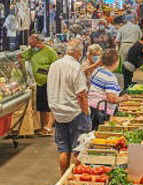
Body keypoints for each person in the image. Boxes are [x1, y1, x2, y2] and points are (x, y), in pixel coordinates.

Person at [47, 40, 92, 175]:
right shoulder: (75, 67)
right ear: (78, 52)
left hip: (59, 113)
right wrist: (86, 111)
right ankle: (77, 181)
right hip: (75, 112)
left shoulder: (54, 65)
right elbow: (81, 94)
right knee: (80, 150)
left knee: (64, 150)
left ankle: (63, 180)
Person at [20, 34, 59, 135]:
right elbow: (21, 57)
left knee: (50, 105)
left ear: (40, 42)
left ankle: (49, 127)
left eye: (34, 45)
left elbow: (56, 66)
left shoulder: (49, 51)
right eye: (31, 45)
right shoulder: (32, 51)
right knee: (42, 106)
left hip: (49, 81)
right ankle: (43, 127)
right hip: (38, 83)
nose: (33, 47)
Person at [88, 49, 130, 130]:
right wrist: (124, 98)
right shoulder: (110, 77)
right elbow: (112, 99)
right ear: (116, 62)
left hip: (92, 108)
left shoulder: (97, 70)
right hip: (101, 112)